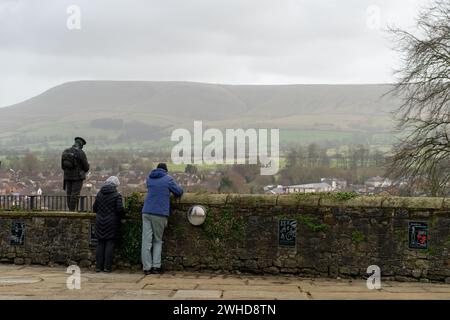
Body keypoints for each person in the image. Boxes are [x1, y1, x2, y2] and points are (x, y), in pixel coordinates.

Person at [142, 163, 183, 275]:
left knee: (146, 241)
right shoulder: (168, 179)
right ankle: (156, 266)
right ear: (166, 170)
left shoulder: (149, 178)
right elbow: (178, 191)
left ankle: (146, 267)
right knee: (157, 240)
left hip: (146, 211)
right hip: (159, 212)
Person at [93, 176, 125, 272]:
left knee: (100, 243)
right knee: (110, 243)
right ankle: (107, 267)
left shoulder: (99, 194)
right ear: (115, 185)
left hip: (99, 221)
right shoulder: (117, 195)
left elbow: (94, 208)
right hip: (112, 222)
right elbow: (120, 209)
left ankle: (98, 267)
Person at [61, 137, 90, 211]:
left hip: (67, 177)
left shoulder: (66, 151)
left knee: (69, 194)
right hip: (78, 177)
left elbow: (62, 166)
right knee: (75, 194)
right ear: (81, 145)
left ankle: (70, 210)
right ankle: (72, 211)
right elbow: (86, 167)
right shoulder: (81, 153)